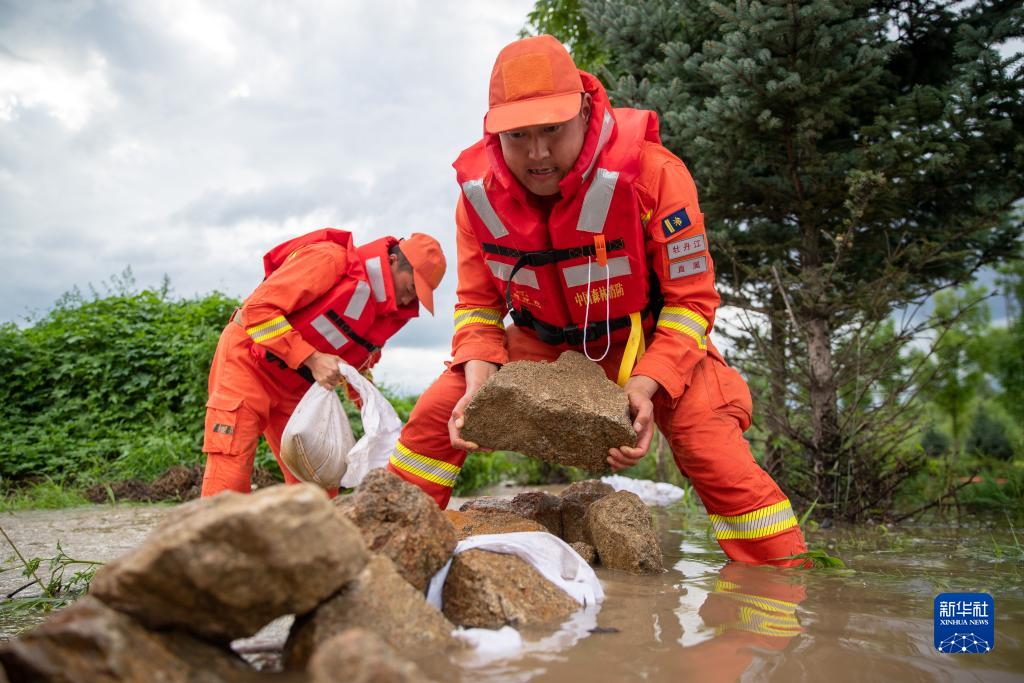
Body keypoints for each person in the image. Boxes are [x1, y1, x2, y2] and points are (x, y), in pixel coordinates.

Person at [387, 35, 807, 566]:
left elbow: (692, 304)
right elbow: (477, 307)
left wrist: (646, 382)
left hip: (647, 343)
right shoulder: (476, 200)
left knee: (712, 451)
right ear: (494, 131)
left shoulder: (655, 175)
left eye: (552, 131)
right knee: (433, 420)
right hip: (540, 346)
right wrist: (478, 384)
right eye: (519, 136)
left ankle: (784, 585)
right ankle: (390, 551)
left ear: (585, 111)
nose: (537, 154)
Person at [201, 228, 446, 497]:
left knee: (317, 485)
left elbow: (358, 364)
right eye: (411, 288)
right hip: (248, 363)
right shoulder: (329, 259)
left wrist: (371, 408)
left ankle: (308, 539)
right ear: (392, 261)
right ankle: (216, 539)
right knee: (230, 466)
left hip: (298, 387)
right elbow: (257, 312)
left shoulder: (385, 313)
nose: (409, 300)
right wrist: (313, 359)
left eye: (418, 296)